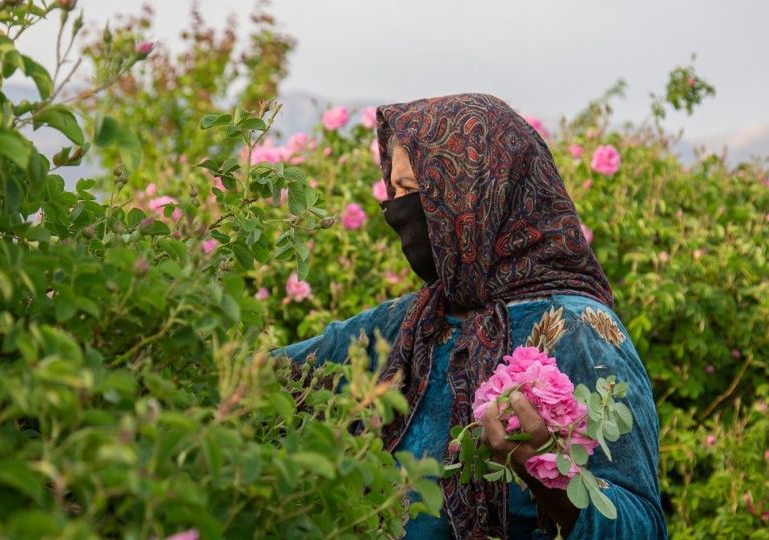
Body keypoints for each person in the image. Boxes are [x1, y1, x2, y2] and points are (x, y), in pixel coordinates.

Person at [271, 93, 667, 539]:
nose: (396, 211)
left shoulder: (581, 331)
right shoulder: (406, 323)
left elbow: (643, 527)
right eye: (394, 190)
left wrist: (552, 478)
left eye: (415, 190)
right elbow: (267, 379)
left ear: (472, 196)